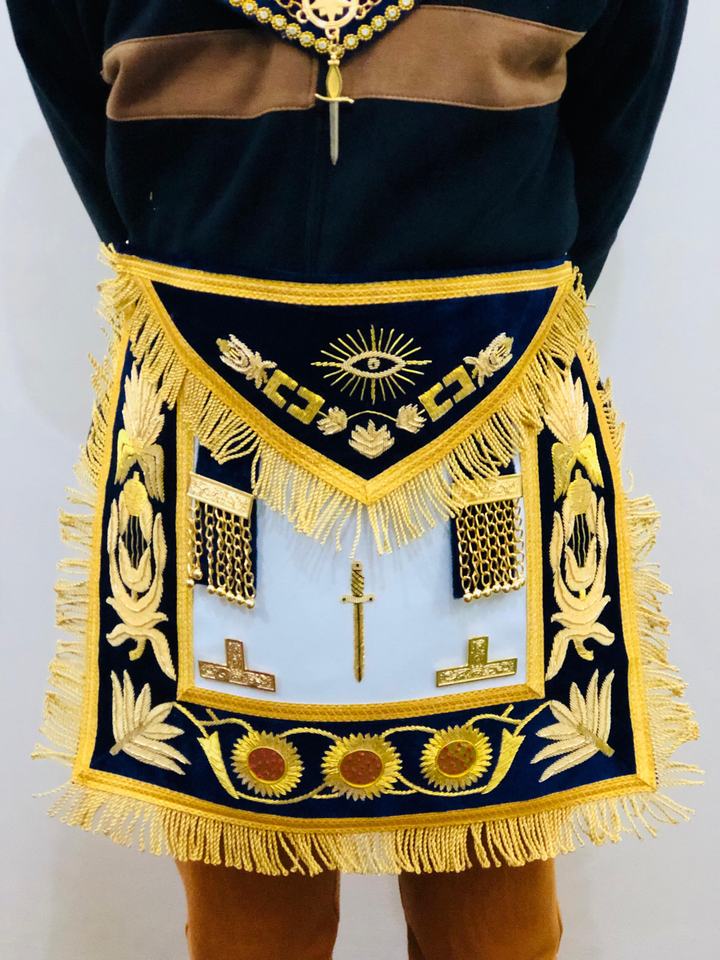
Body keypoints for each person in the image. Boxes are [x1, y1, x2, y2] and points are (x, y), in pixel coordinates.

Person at [7, 2, 698, 958]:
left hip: (489, 404)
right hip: (215, 397)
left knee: (492, 899)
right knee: (247, 892)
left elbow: (606, 142)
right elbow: (113, 183)